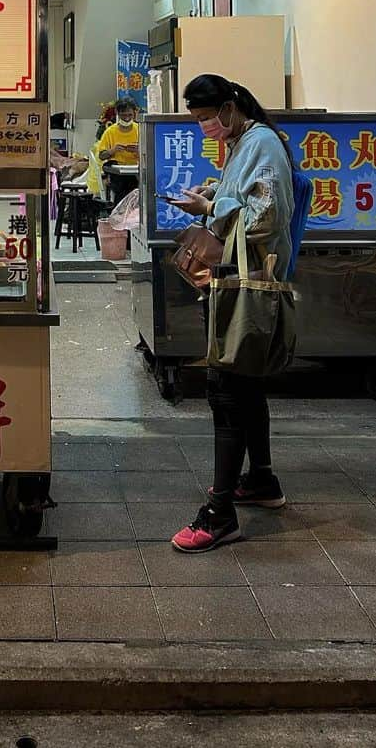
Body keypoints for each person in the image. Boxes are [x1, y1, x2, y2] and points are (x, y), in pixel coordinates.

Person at [168, 73, 295, 554]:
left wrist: (211, 204)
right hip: (238, 278)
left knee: (227, 392)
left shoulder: (260, 141)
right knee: (246, 385)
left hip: (245, 285)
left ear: (228, 107)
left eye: (206, 118)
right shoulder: (247, 140)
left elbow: (265, 215)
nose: (204, 128)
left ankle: (220, 515)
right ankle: (261, 479)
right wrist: (217, 194)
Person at [97, 99, 140, 204]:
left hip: (136, 169)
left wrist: (138, 150)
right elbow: (101, 155)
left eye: (130, 115)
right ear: (117, 114)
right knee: (122, 187)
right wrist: (112, 151)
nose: (127, 118)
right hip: (117, 171)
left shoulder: (139, 129)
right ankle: (120, 212)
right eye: (123, 115)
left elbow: (150, 153)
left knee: (134, 185)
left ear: (135, 113)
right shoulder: (110, 132)